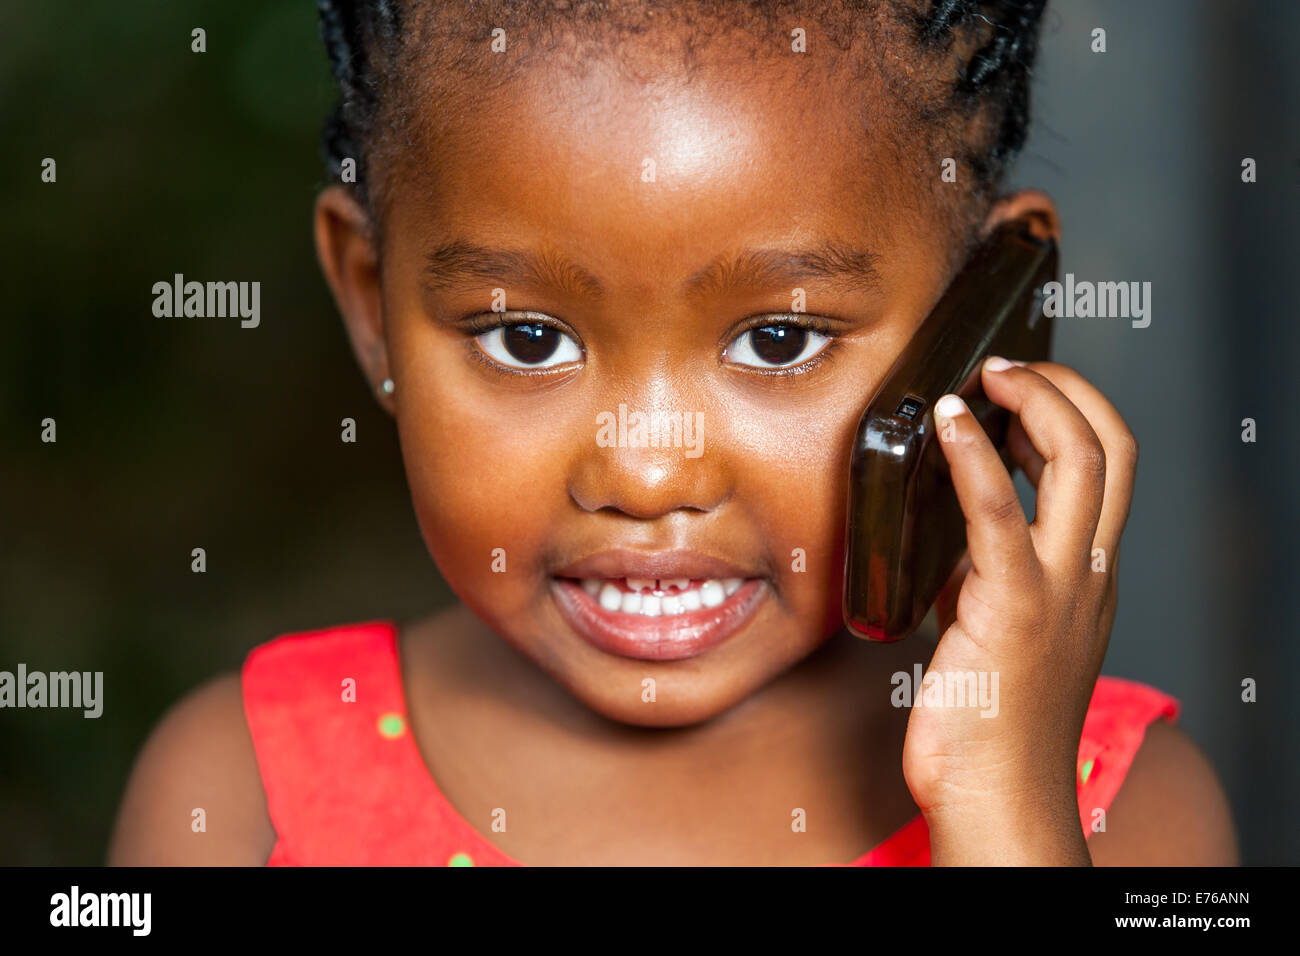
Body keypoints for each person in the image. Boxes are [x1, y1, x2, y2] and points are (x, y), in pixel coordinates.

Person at [109, 0, 1238, 866]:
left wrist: (1006, 815)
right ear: (369, 305)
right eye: (528, 338)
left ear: (986, 311)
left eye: (780, 340)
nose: (646, 471)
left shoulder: (1119, 804)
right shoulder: (238, 791)